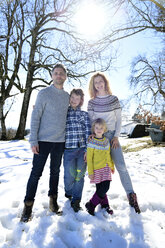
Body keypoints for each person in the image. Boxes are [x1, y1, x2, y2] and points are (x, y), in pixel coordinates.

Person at [20, 64, 70, 222]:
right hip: (42, 141)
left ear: (65, 76)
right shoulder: (43, 93)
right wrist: (33, 140)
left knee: (55, 172)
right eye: (56, 73)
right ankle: (28, 206)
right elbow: (35, 117)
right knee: (36, 174)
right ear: (52, 76)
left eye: (61, 73)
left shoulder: (68, 97)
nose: (59, 75)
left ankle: (53, 202)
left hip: (60, 142)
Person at [87, 72, 141, 214]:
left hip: (112, 138)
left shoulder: (113, 99)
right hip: (98, 138)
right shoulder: (91, 102)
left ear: (105, 82)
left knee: (121, 166)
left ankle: (131, 196)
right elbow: (91, 122)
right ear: (93, 85)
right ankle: (100, 200)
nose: (98, 84)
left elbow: (119, 120)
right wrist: (92, 135)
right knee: (99, 169)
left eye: (100, 81)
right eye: (95, 82)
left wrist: (116, 136)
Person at [63, 89, 91, 212]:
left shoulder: (84, 115)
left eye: (77, 98)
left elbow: (88, 133)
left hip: (81, 150)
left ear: (81, 101)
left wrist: (87, 150)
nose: (74, 100)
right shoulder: (64, 113)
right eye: (72, 97)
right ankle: (69, 192)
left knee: (79, 176)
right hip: (68, 150)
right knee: (69, 176)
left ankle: (76, 200)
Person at [85, 118, 114, 216]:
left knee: (105, 187)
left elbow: (108, 154)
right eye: (97, 127)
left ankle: (91, 204)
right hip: (96, 169)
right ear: (94, 128)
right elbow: (89, 158)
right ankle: (105, 205)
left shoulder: (106, 141)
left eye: (101, 128)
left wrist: (111, 165)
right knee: (100, 189)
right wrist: (91, 172)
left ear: (104, 129)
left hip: (106, 168)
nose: (99, 129)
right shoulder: (91, 142)